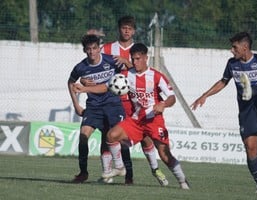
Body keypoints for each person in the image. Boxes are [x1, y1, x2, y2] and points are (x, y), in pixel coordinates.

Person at [73, 43, 190, 189]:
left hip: (154, 121)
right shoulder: (127, 75)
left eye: (138, 59)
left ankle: (183, 181)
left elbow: (172, 97)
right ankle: (120, 167)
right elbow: (107, 86)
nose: (135, 62)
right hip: (136, 121)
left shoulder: (156, 76)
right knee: (111, 135)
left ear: (146, 58)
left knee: (165, 155)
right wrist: (85, 88)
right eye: (133, 59)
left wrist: (163, 104)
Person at [190, 32, 257, 193]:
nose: (231, 50)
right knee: (250, 147)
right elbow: (223, 82)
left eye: (234, 47)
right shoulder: (232, 64)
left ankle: (252, 89)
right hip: (248, 110)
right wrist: (205, 95)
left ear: (245, 47)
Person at [84, 16, 168, 186]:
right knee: (108, 137)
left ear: (134, 31)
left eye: (130, 28)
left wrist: (127, 62)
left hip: (133, 102)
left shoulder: (137, 51)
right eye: (124, 28)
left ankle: (153, 169)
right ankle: (109, 174)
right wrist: (87, 81)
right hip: (111, 101)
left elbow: (142, 72)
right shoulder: (107, 48)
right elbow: (94, 66)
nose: (127, 31)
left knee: (146, 138)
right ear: (119, 29)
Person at [67, 34, 128, 183]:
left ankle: (118, 171)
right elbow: (70, 82)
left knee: (112, 137)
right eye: (88, 49)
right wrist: (76, 104)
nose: (92, 52)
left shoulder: (111, 60)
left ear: (99, 48)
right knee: (83, 137)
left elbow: (131, 71)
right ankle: (83, 172)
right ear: (85, 50)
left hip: (112, 105)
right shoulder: (81, 67)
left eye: (94, 48)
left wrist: (126, 61)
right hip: (93, 107)